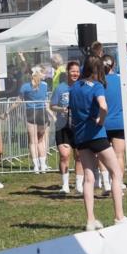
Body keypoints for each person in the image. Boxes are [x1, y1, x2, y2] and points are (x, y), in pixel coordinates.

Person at [69, 55, 126, 230]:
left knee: (88, 177)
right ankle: (119, 216)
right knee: (116, 173)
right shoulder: (97, 86)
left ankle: (90, 220)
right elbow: (103, 106)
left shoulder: (74, 87)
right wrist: (101, 120)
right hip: (97, 135)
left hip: (80, 136)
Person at [50, 60, 81, 194]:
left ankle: (79, 184)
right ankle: (65, 185)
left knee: (79, 156)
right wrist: (61, 109)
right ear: (67, 72)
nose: (75, 74)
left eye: (77, 71)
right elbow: (52, 105)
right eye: (73, 71)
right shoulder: (60, 88)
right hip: (62, 125)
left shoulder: (81, 87)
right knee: (64, 155)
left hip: (78, 125)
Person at [102, 54, 127, 194]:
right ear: (113, 65)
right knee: (118, 155)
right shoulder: (120, 80)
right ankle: (118, 184)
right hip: (118, 122)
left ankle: (106, 183)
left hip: (103, 123)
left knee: (103, 155)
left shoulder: (99, 81)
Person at [19, 66, 51, 173]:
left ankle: (36, 166)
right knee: (41, 140)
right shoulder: (45, 85)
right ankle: (42, 166)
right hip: (42, 113)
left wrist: (7, 111)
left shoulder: (25, 87)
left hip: (31, 113)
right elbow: (45, 99)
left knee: (33, 142)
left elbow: (18, 100)